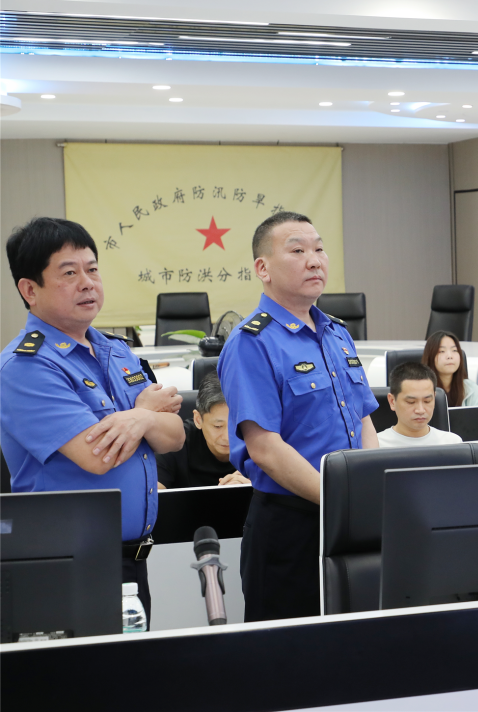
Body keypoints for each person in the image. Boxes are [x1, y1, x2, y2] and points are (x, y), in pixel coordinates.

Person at [1, 217, 184, 624]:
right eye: (69, 273)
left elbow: (174, 436)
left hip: (132, 560)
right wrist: (145, 415)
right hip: (65, 565)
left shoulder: (117, 351)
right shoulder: (25, 366)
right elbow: (97, 455)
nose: (87, 283)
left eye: (93, 269)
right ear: (30, 290)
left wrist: (139, 418)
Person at [217, 210, 379, 622]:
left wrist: (364, 491)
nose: (314, 260)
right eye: (298, 251)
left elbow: (363, 419)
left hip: (350, 515)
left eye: (319, 249)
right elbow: (265, 448)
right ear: (263, 268)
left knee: (358, 641)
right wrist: (342, 499)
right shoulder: (251, 342)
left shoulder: (337, 333)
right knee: (289, 652)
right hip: (290, 523)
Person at [155, 372, 250, 488]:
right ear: (198, 420)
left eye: (236, 426)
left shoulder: (260, 437)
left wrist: (257, 488)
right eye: (218, 426)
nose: (227, 437)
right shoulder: (174, 442)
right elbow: (151, 494)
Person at [377, 362, 464, 448]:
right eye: (411, 402)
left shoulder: (452, 443)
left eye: (427, 401)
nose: (420, 410)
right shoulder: (376, 445)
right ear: (392, 401)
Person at [422, 330, 478, 407]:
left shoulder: (471, 389)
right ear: (430, 357)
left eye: (454, 350)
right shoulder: (421, 389)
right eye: (442, 351)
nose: (450, 356)